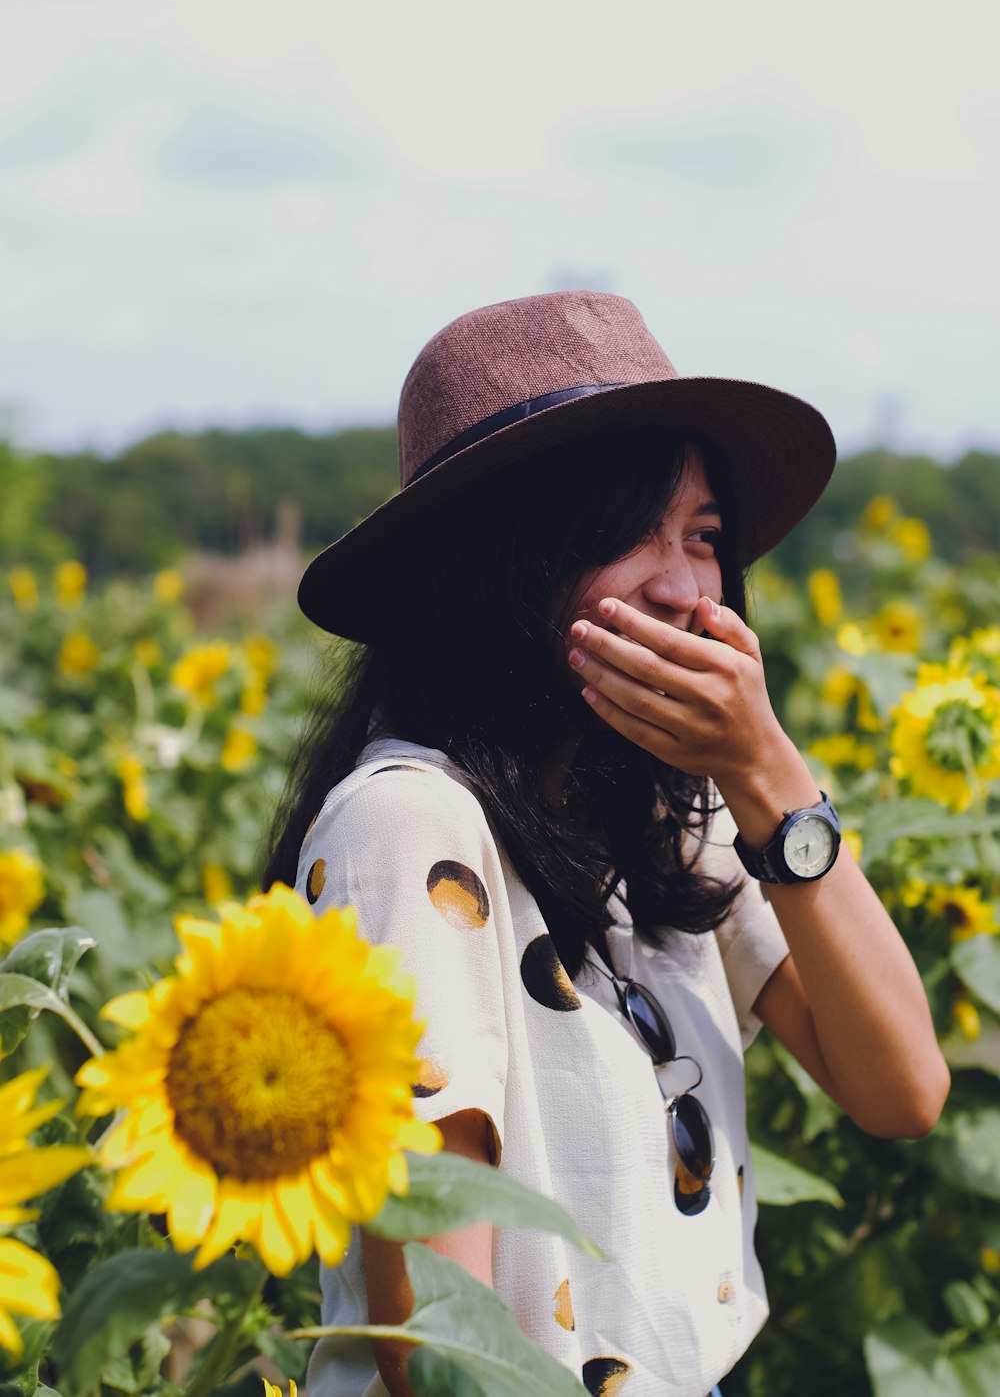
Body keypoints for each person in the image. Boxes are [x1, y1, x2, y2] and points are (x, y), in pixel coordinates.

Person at [264, 291, 949, 1397]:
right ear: (494, 569)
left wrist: (768, 773)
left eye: (703, 538)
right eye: (625, 535)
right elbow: (440, 1346)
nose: (685, 590)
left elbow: (900, 1088)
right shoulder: (411, 825)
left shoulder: (664, 808)